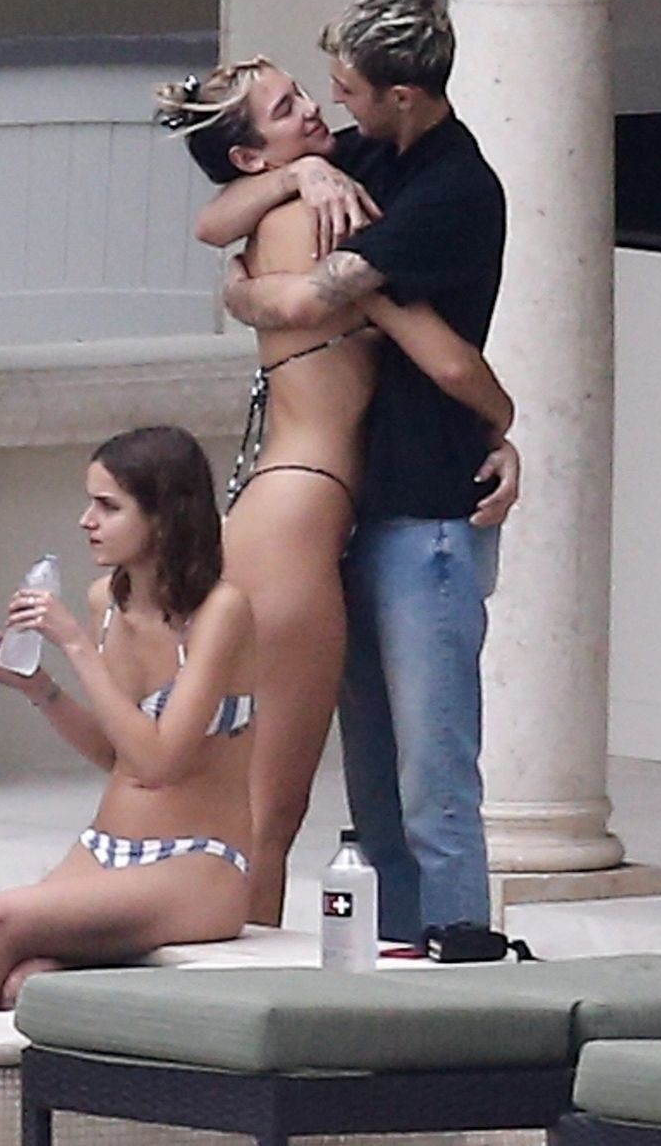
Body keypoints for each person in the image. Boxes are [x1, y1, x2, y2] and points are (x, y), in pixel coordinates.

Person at [154, 57, 516, 927]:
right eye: (286, 107)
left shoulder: (296, 196)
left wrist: (292, 189)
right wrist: (502, 421)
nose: (315, 108)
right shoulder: (323, 220)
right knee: (267, 813)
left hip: (284, 504)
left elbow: (218, 231)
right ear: (252, 155)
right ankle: (232, 970)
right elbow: (451, 365)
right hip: (302, 513)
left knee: (257, 800)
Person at [0, 426, 259, 1007]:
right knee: (27, 982)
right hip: (105, 849)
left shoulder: (220, 612)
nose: (86, 520)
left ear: (164, 517)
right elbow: (118, 755)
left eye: (108, 507)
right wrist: (38, 687)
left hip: (197, 864)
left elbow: (161, 763)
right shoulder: (106, 604)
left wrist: (73, 645)